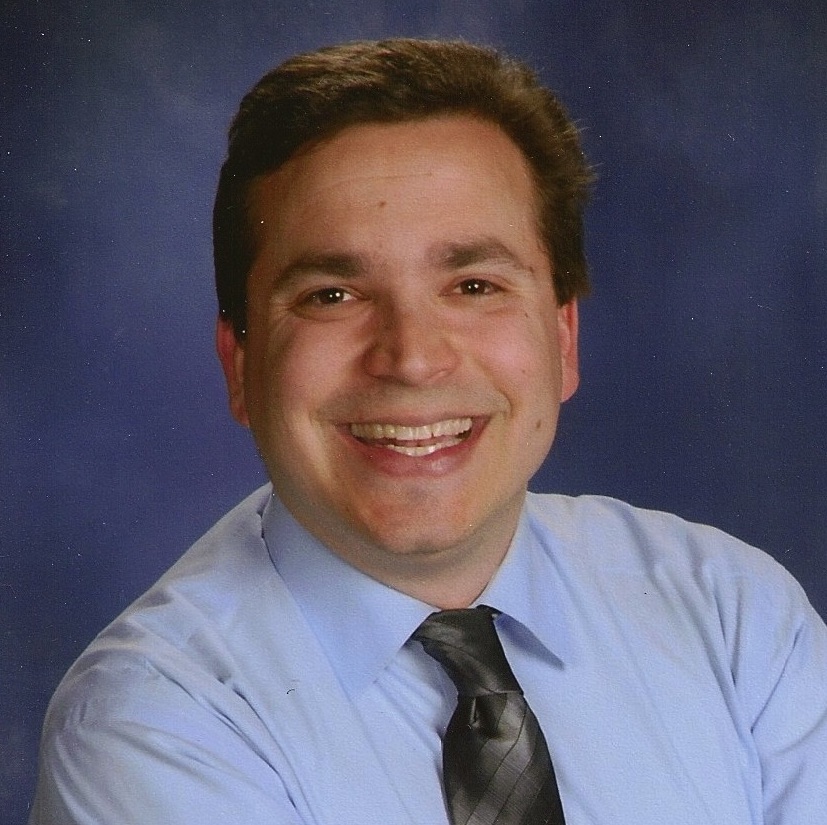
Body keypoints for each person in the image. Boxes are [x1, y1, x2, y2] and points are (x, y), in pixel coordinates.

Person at [30, 38, 827, 824]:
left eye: (473, 284)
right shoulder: (152, 723)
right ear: (239, 364)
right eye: (331, 295)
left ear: (562, 341)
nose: (410, 358)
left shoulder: (730, 613)